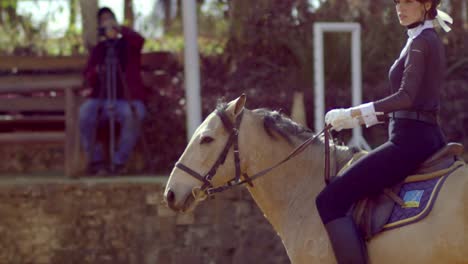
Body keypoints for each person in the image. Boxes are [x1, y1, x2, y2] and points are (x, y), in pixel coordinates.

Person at [315, 0, 453, 263]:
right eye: (397, 1)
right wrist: (357, 120)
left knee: (329, 201)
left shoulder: (422, 41)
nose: (400, 7)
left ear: (425, 4)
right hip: (427, 135)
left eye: (408, 1)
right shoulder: (423, 38)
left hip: (410, 142)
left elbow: (406, 98)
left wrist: (351, 114)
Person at [80, 7, 147, 175]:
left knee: (135, 114)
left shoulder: (129, 45)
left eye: (110, 19)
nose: (107, 23)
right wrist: (96, 72)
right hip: (101, 99)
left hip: (126, 99)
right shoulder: (99, 49)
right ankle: (96, 162)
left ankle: (119, 163)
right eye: (103, 20)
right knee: (85, 113)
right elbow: (87, 74)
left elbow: (139, 40)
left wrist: (119, 29)